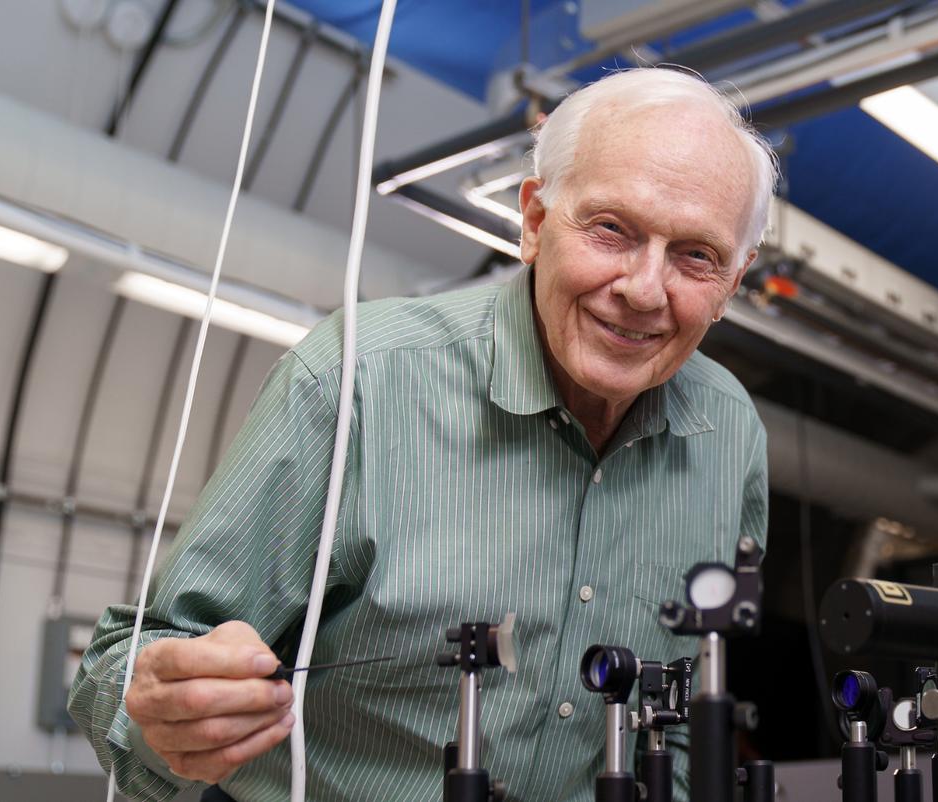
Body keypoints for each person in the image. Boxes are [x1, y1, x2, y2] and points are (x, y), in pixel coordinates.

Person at [69, 67, 778, 802]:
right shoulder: (357, 381)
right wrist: (161, 707)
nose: (643, 288)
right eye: (610, 229)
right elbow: (128, 662)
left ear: (734, 279)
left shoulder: (728, 437)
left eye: (696, 255)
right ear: (534, 221)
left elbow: (694, 707)